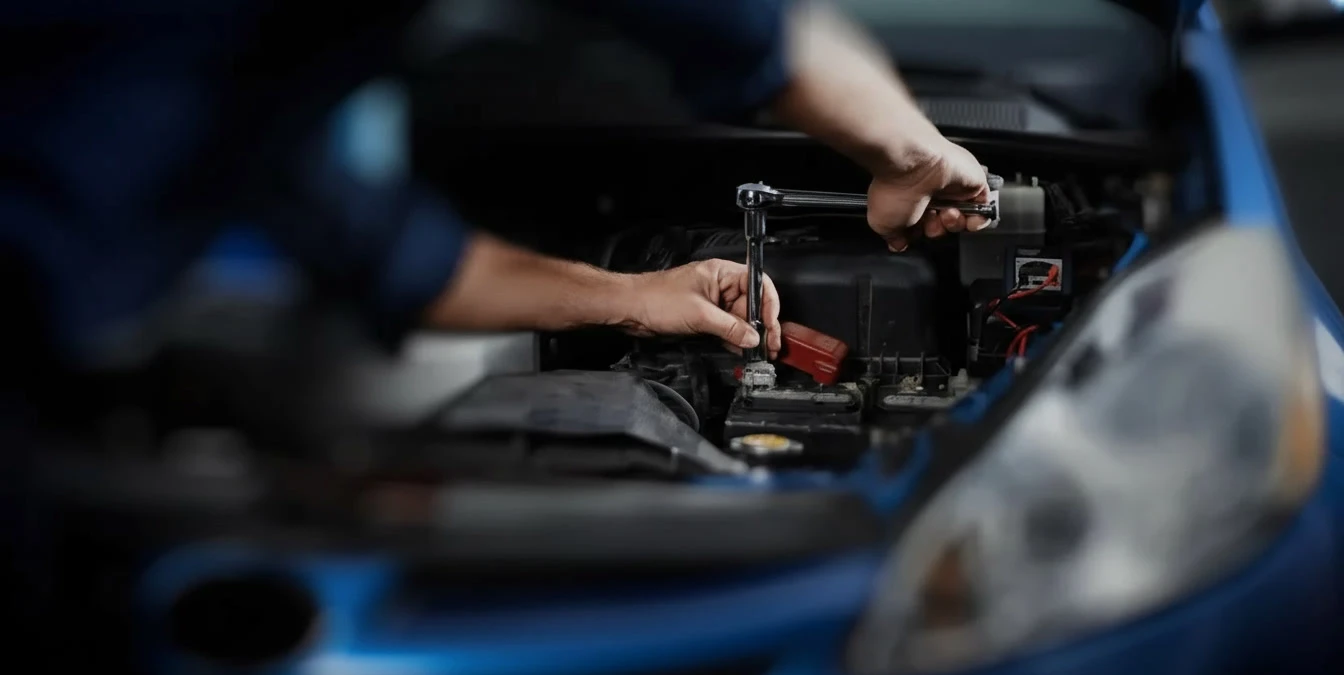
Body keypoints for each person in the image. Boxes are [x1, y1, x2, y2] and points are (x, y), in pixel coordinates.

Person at [1, 0, 991, 365]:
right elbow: (746, 31)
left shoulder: (253, 71)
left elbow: (396, 256)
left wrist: (638, 301)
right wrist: (906, 148)